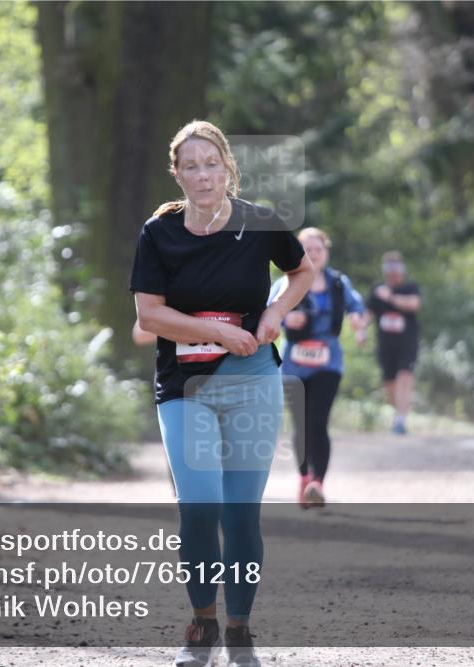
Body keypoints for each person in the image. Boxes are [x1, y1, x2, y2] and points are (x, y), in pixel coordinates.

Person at [130, 120, 313, 667]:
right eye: (191, 166)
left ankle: (239, 630)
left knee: (240, 515)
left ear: (227, 167)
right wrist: (215, 331)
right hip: (185, 385)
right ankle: (202, 623)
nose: (203, 175)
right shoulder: (158, 234)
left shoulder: (260, 222)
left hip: (252, 378)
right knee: (198, 507)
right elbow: (149, 315)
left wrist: (275, 313)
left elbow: (301, 271)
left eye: (211, 164)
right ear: (177, 174)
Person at [269, 228, 366, 508]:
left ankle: (318, 483)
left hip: (328, 362)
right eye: (307, 250)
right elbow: (267, 312)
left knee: (318, 422)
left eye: (318, 250)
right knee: (301, 424)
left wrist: (358, 322)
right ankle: (303, 478)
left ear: (326, 252)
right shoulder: (287, 282)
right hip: (293, 364)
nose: (313, 254)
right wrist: (286, 319)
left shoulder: (338, 283)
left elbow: (357, 307)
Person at [359, 251, 421, 435]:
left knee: (405, 377)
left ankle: (401, 420)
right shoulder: (377, 290)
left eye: (397, 268)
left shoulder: (410, 287)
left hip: (407, 344)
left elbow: (414, 304)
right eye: (389, 268)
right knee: (390, 383)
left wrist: (390, 297)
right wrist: (361, 331)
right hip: (385, 346)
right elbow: (367, 315)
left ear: (402, 270)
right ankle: (398, 413)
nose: (393, 273)